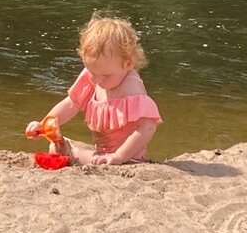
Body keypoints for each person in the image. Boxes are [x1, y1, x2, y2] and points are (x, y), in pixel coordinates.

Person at [27, 13, 162, 165]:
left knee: (70, 153)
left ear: (128, 63)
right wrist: (44, 126)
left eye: (105, 75)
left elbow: (148, 127)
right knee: (54, 145)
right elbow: (71, 103)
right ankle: (72, 151)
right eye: (91, 72)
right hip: (103, 152)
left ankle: (74, 154)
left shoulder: (131, 87)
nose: (97, 80)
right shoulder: (95, 74)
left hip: (128, 158)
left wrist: (118, 156)